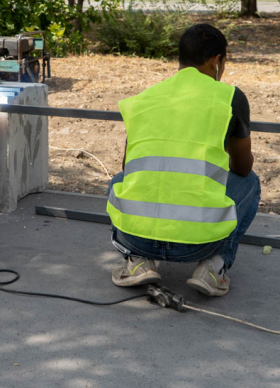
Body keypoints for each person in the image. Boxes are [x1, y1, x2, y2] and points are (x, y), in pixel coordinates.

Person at [107, 23, 260, 297]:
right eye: (224, 63)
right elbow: (242, 167)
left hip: (137, 237)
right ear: (216, 61)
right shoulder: (229, 98)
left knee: (119, 181)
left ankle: (136, 261)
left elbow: (127, 166)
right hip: (199, 244)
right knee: (251, 182)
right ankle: (214, 266)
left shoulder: (146, 98)